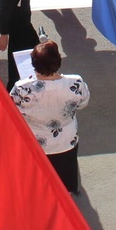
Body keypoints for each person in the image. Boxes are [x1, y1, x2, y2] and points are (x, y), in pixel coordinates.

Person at [11, 40, 90, 194]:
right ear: (58, 60)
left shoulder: (22, 87)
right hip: (66, 141)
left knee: (39, 181)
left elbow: (13, 110)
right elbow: (83, 103)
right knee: (66, 177)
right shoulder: (76, 82)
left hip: (35, 142)